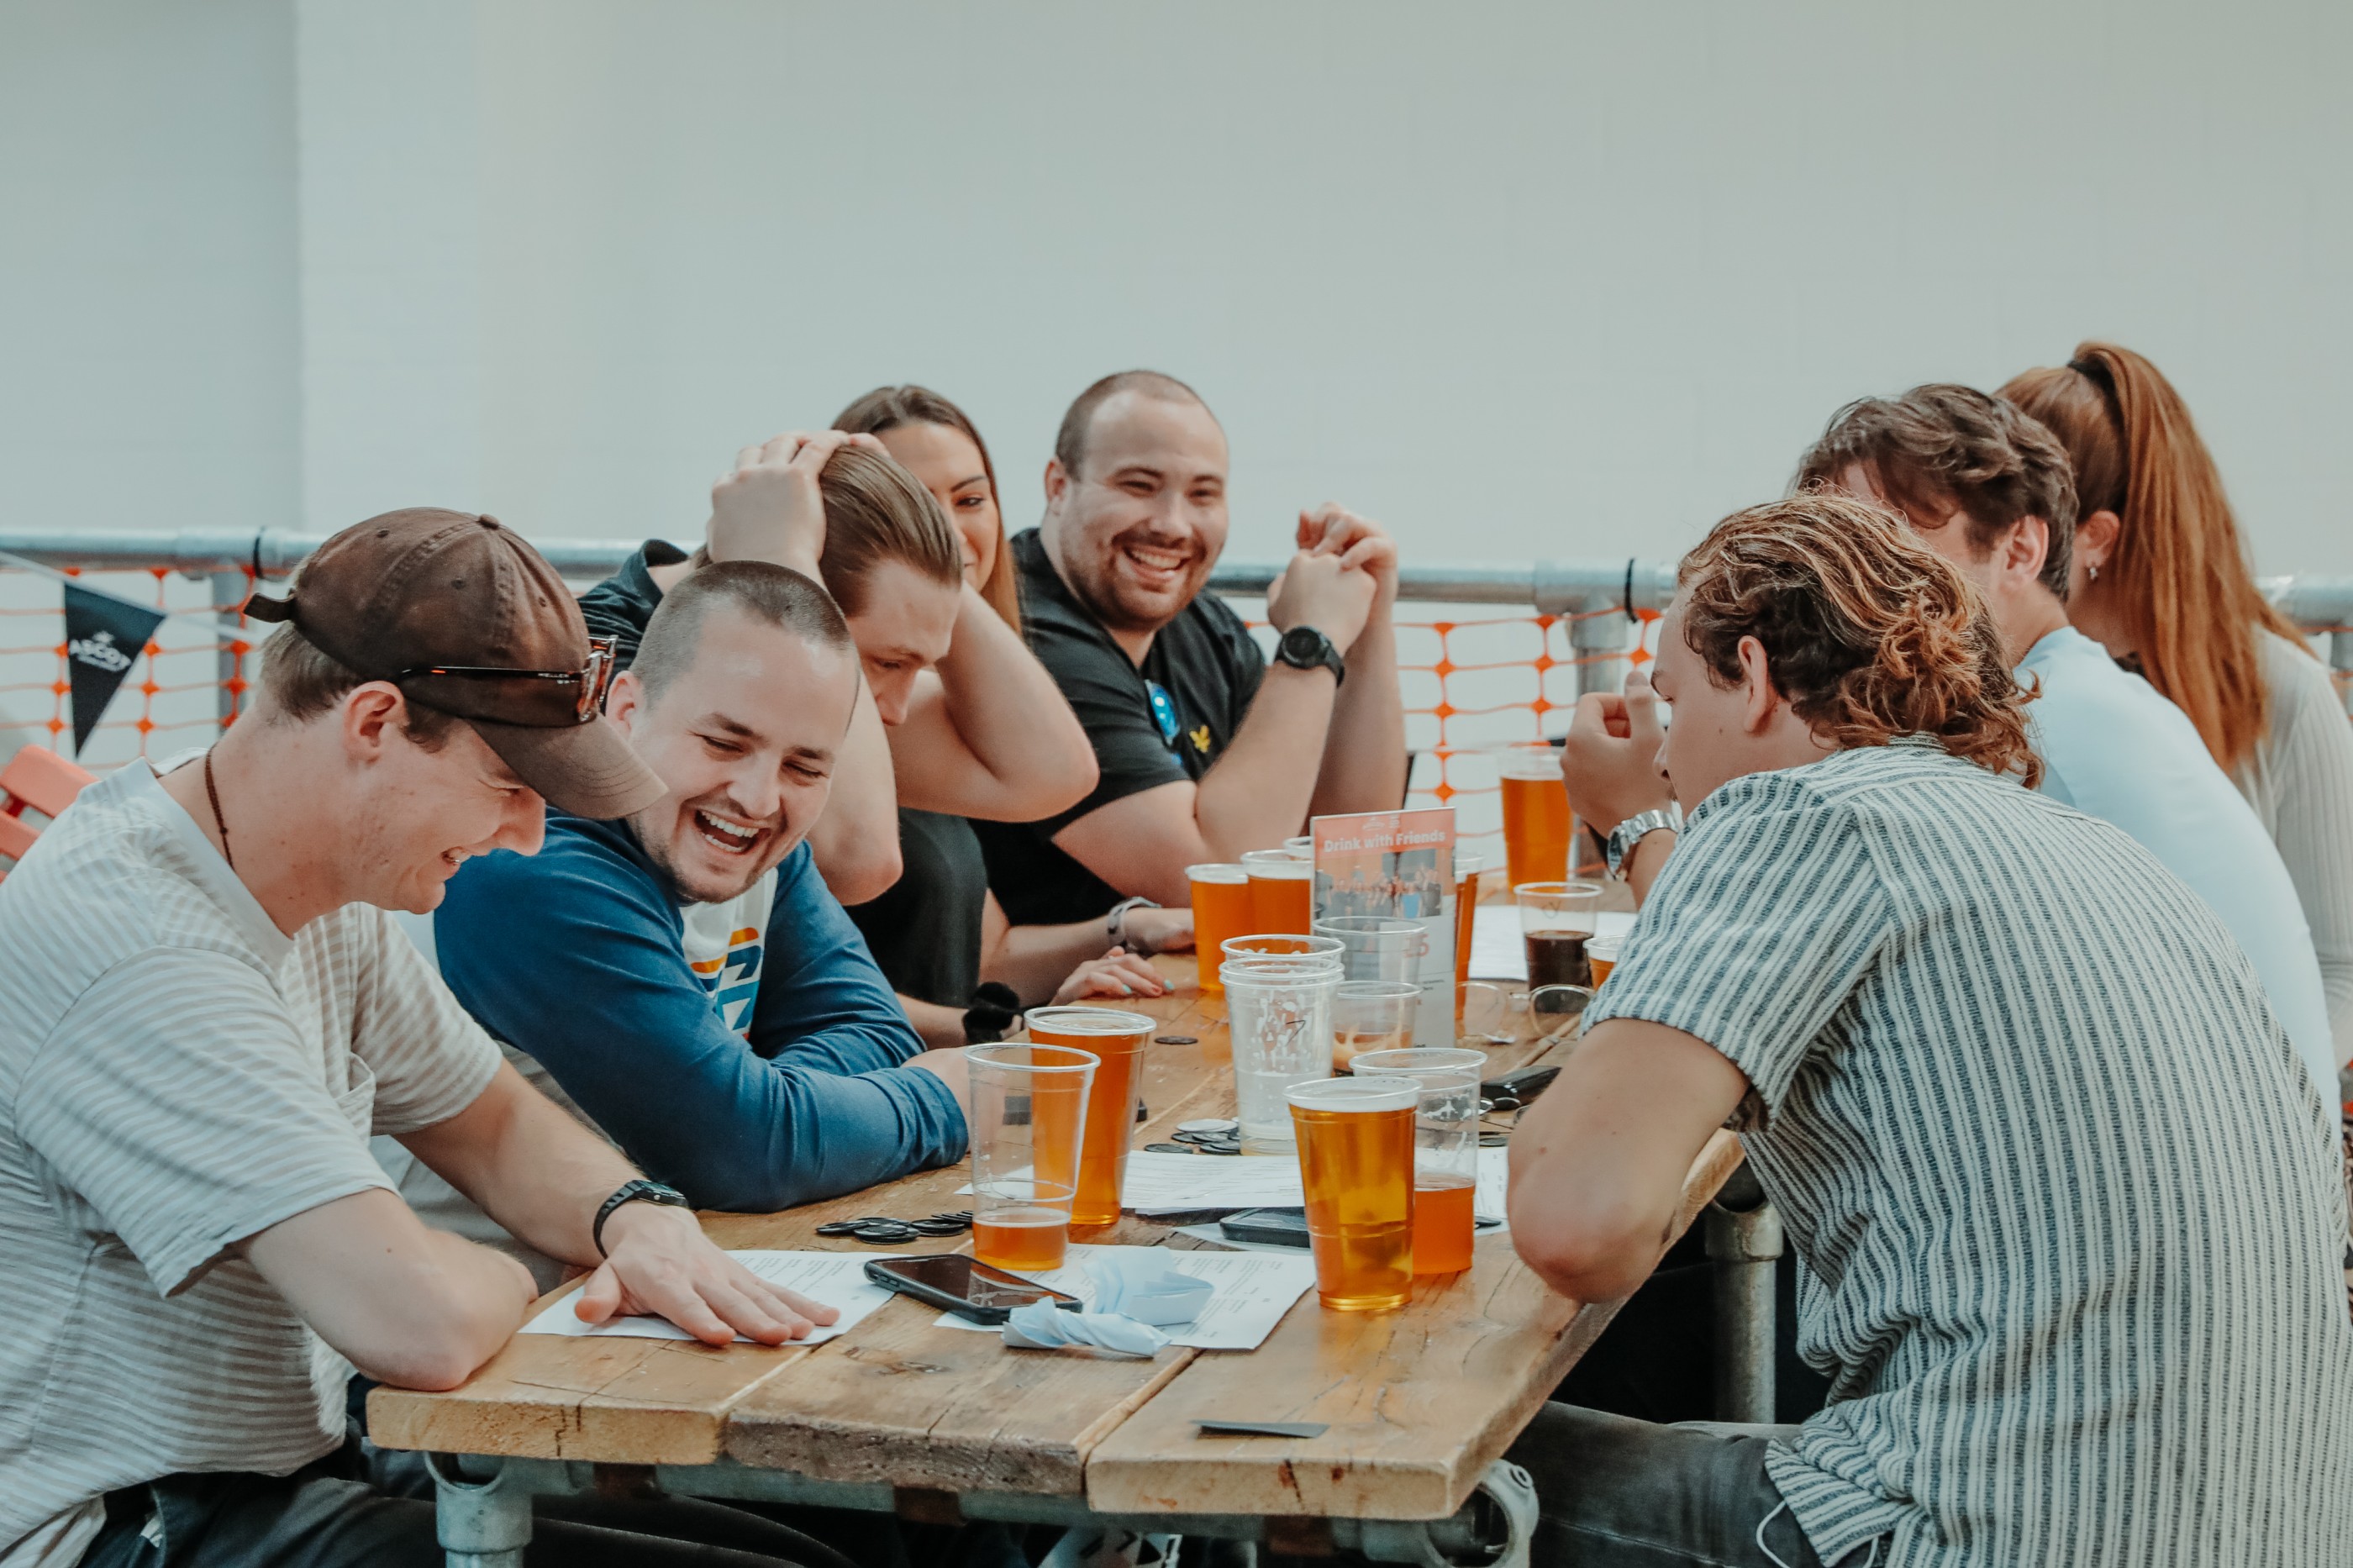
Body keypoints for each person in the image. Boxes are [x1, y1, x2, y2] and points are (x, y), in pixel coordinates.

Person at [1507, 494, 2353, 1567]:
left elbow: (1578, 1226)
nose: (1667, 762)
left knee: (1428, 1486)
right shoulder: (2091, 847)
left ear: (1754, 677)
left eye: (1673, 704)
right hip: (2275, 1524)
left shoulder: (1796, 813)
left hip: (1983, 1535)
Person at [0, 512, 840, 1568]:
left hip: (278, 1470)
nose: (527, 836)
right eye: (511, 787)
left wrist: (637, 1219)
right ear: (376, 722)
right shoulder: (142, 945)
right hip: (117, 1525)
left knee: (825, 1549)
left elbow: (492, 1126)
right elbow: (422, 1330)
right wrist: (522, 1274)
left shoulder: (293, 863)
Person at [1567, 385, 2340, 1099]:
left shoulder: (2022, 736)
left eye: (1889, 542)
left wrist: (1637, 824)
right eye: (1832, 551)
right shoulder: (2094, 697)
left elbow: (1733, 996)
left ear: (2021, 551)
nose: (1844, 585)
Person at [398, 558, 971, 1280]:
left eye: (804, 768)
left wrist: (766, 1107)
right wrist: (940, 1101)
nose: (759, 798)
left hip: (660, 1290)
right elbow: (742, 1154)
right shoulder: (533, 862)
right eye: (724, 743)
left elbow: (874, 1035)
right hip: (498, 1319)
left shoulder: (756, 843)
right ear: (625, 711)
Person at [582, 426, 1182, 1048]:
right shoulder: (601, 658)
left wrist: (912, 532)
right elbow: (860, 860)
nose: (894, 710)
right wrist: (781, 557)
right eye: (888, 663)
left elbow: (1053, 776)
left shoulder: (793, 676)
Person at [2002, 343, 2353, 1071]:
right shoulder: (2008, 686)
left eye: (2005, 528)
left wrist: (2255, 1094)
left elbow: (2341, 967)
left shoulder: (2282, 690)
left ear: (2092, 539)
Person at [974, 370, 1408, 928]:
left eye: (1203, 494)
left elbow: (1349, 843)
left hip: (1186, 978)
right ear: (1058, 486)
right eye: (1138, 485)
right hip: (1063, 987)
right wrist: (1309, 641)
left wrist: (1368, 622)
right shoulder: (1026, 638)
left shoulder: (1204, 626)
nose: (1172, 525)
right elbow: (1212, 877)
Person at [834, 387, 1197, 1046]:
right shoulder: (843, 701)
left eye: (970, 500)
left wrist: (1127, 929)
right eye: (912, 505)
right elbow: (811, 994)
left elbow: (988, 957)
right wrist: (1012, 1039)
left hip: (943, 1079)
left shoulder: (933, 696)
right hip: (876, 1080)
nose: (949, 529)